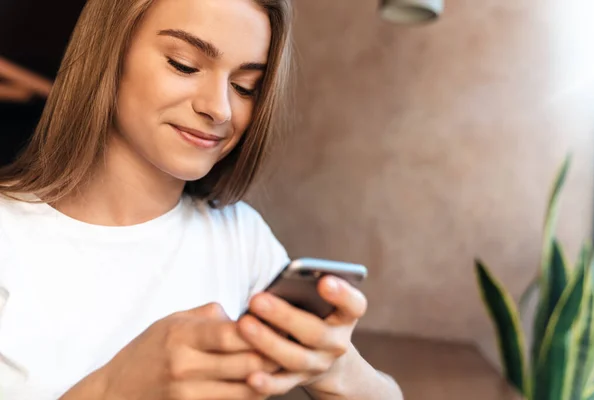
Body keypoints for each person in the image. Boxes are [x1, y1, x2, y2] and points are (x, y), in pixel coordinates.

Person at [0, 0, 403, 399]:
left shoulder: (241, 239)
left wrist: (338, 369)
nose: (219, 109)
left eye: (246, 87)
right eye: (184, 64)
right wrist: (111, 388)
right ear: (108, 54)